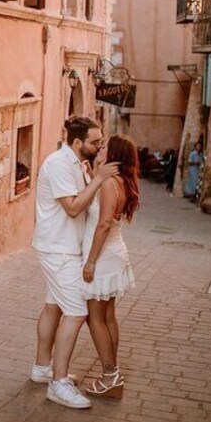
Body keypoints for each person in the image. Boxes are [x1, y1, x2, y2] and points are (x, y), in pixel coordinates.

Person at [31, 116, 119, 409]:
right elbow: (72, 208)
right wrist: (99, 179)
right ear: (78, 142)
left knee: (53, 306)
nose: (99, 146)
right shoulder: (59, 164)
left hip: (63, 247)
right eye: (95, 142)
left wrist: (93, 175)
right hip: (59, 250)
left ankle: (42, 368)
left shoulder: (77, 164)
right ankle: (58, 384)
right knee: (77, 311)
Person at [81, 135, 139, 399]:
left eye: (104, 147)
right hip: (115, 252)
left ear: (114, 153)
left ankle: (110, 377)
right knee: (108, 316)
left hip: (103, 257)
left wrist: (91, 261)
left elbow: (103, 224)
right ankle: (113, 373)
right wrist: (94, 172)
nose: (100, 148)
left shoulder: (109, 184)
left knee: (95, 318)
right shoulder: (121, 181)